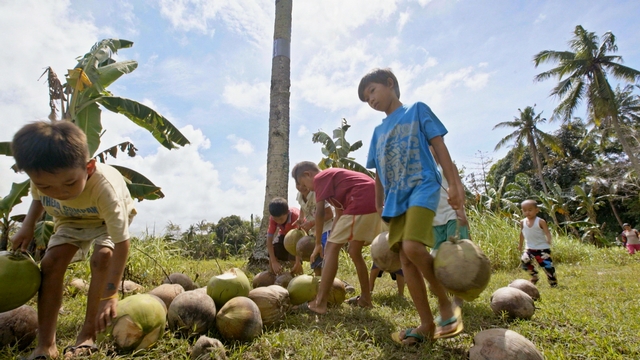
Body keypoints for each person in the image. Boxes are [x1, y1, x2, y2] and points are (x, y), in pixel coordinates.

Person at [10, 121, 136, 360]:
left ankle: (87, 336)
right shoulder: (40, 178)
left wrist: (110, 294)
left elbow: (121, 243)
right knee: (50, 264)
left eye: (69, 183)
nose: (59, 193)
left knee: (103, 257)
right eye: (46, 186)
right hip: (69, 220)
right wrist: (27, 226)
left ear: (88, 167)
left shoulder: (104, 188)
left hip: (103, 220)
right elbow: (37, 199)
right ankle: (46, 345)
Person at [360, 68, 464, 345]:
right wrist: (378, 201)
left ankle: (444, 302)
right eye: (365, 98)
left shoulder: (417, 109)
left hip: (423, 184)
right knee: (406, 260)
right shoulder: (377, 131)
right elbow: (379, 172)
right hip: (395, 198)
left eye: (372, 91)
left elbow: (439, 146)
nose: (370, 100)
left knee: (412, 247)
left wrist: (453, 184)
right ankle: (426, 324)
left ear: (390, 84)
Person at [292, 162, 382, 314]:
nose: (306, 188)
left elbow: (320, 213)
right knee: (354, 251)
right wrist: (332, 237)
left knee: (332, 248)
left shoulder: (321, 177)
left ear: (308, 174)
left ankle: (319, 304)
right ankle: (366, 299)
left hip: (360, 201)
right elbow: (339, 214)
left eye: (304, 184)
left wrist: (319, 244)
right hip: (372, 203)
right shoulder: (334, 183)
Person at [431, 163, 470, 309]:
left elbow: (458, 187)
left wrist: (460, 210)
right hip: (435, 220)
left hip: (451, 215)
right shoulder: (425, 169)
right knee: (437, 257)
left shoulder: (446, 166)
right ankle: (446, 291)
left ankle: (458, 298)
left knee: (456, 256)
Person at [294, 182, 334, 276]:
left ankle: (327, 283)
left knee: (324, 257)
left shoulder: (317, 193)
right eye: (298, 184)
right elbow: (303, 206)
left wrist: (311, 223)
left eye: (304, 184)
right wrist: (300, 218)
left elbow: (329, 214)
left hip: (326, 228)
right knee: (315, 258)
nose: (302, 187)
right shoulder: (300, 195)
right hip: (314, 231)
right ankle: (318, 281)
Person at [518, 199, 558, 287]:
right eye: (525, 210)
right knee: (524, 260)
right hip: (529, 248)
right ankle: (534, 275)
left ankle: (553, 283)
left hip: (542, 249)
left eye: (530, 210)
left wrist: (549, 239)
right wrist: (520, 244)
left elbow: (547, 232)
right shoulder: (522, 222)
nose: (527, 212)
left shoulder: (540, 221)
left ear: (537, 210)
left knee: (548, 267)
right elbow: (522, 233)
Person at [266, 197, 304, 276]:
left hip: (299, 236)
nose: (278, 221)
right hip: (284, 234)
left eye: (280, 219)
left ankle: (300, 277)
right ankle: (273, 278)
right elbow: (269, 240)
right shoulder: (273, 218)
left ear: (287, 212)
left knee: (293, 258)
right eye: (275, 219)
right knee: (273, 252)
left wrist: (297, 262)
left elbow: (298, 239)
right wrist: (273, 262)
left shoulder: (295, 216)